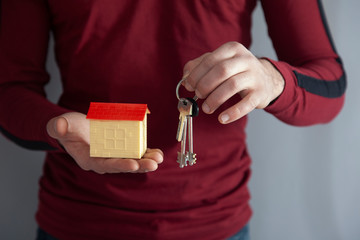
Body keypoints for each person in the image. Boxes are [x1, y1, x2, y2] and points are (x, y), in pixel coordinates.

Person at [0, 0, 346, 239]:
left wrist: (274, 81)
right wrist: (58, 128)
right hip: (77, 218)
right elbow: (9, 90)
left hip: (215, 222)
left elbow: (330, 85)